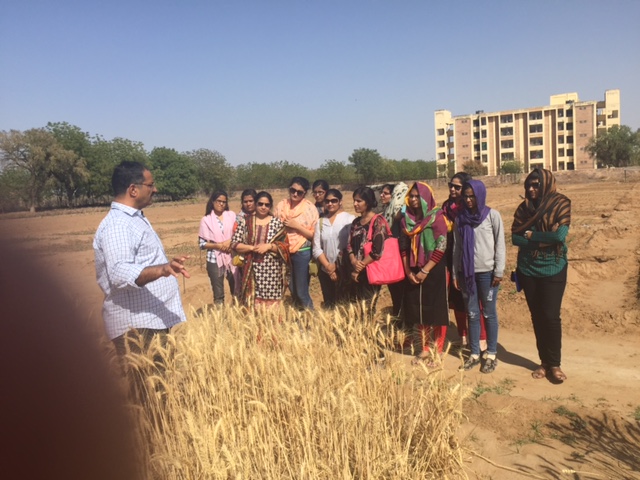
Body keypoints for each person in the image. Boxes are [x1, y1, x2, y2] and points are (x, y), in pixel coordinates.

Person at [93, 161, 189, 357]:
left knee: (157, 376)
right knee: (146, 378)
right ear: (133, 190)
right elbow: (119, 272)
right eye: (150, 185)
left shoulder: (132, 219)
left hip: (149, 321)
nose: (155, 189)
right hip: (137, 327)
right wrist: (162, 270)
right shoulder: (118, 225)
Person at [512, 168, 571, 383]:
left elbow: (559, 236)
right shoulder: (524, 208)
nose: (531, 189)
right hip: (528, 269)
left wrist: (531, 235)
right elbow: (515, 238)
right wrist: (542, 238)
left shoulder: (561, 204)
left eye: (536, 185)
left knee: (551, 316)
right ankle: (544, 362)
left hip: (553, 266)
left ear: (546, 184)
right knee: (537, 316)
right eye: (528, 185)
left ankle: (555, 364)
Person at [453, 180, 505, 374]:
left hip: (488, 274)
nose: (468, 200)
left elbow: (500, 244)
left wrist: (499, 271)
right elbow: (457, 248)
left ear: (480, 195)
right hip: (466, 274)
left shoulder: (492, 216)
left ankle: (491, 353)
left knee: (489, 313)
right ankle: (474, 353)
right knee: (472, 313)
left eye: (472, 196)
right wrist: (455, 272)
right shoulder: (460, 219)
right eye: (466, 196)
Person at [400, 182, 449, 365]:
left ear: (426, 197)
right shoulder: (406, 220)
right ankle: (425, 348)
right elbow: (403, 247)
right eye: (411, 196)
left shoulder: (437, 217)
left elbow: (441, 246)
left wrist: (425, 270)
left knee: (436, 310)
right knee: (419, 310)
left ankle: (438, 350)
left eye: (417, 196)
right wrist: (408, 271)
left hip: (433, 269)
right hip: (413, 269)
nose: (413, 199)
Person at [441, 172, 487, 350]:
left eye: (457, 187)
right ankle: (463, 335)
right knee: (457, 299)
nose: (452, 189)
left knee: (475, 300)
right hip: (452, 256)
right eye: (451, 185)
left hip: (471, 258)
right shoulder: (446, 207)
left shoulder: (472, 210)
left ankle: (481, 338)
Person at [232, 192, 290, 308]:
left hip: (272, 271)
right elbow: (235, 244)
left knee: (272, 306)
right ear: (255, 204)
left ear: (270, 206)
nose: (263, 207)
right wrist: (252, 248)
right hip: (251, 270)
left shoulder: (276, 223)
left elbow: (285, 246)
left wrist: (269, 246)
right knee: (252, 303)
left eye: (267, 205)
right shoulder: (245, 222)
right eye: (260, 204)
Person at [275, 176, 319, 310]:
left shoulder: (310, 209)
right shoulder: (281, 206)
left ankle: (311, 316)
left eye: (299, 192)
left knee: (301, 291)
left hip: (302, 251)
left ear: (304, 193)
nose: (295, 194)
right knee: (291, 287)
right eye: (292, 190)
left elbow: (314, 236)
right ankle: (299, 315)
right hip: (284, 251)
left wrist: (296, 226)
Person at [312, 188, 355, 308]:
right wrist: (328, 267)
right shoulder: (321, 222)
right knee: (329, 304)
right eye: (327, 201)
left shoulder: (349, 219)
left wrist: (336, 266)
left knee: (345, 304)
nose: (330, 204)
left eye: (334, 201)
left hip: (344, 269)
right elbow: (316, 248)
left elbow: (350, 245)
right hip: (325, 271)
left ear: (340, 201)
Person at [347, 186, 389, 303]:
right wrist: (353, 261)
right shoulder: (356, 222)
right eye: (354, 200)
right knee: (354, 304)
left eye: (359, 201)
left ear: (368, 202)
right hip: (355, 268)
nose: (355, 204)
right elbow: (349, 244)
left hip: (370, 270)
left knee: (368, 305)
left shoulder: (378, 221)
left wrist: (359, 267)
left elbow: (377, 251)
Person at [199, 190, 236, 305]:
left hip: (232, 257)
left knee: (236, 289)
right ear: (213, 201)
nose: (221, 204)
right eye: (219, 201)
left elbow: (239, 233)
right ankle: (220, 315)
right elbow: (202, 244)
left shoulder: (231, 215)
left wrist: (229, 242)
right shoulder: (206, 220)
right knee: (218, 294)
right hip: (214, 259)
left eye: (224, 202)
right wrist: (218, 246)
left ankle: (237, 313)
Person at [380, 182, 409, 317]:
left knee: (401, 288)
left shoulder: (402, 211)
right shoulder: (386, 212)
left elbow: (399, 215)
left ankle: (404, 319)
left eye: (386, 193)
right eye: (382, 193)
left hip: (400, 256)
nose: (382, 195)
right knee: (393, 288)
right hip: (390, 257)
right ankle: (397, 316)